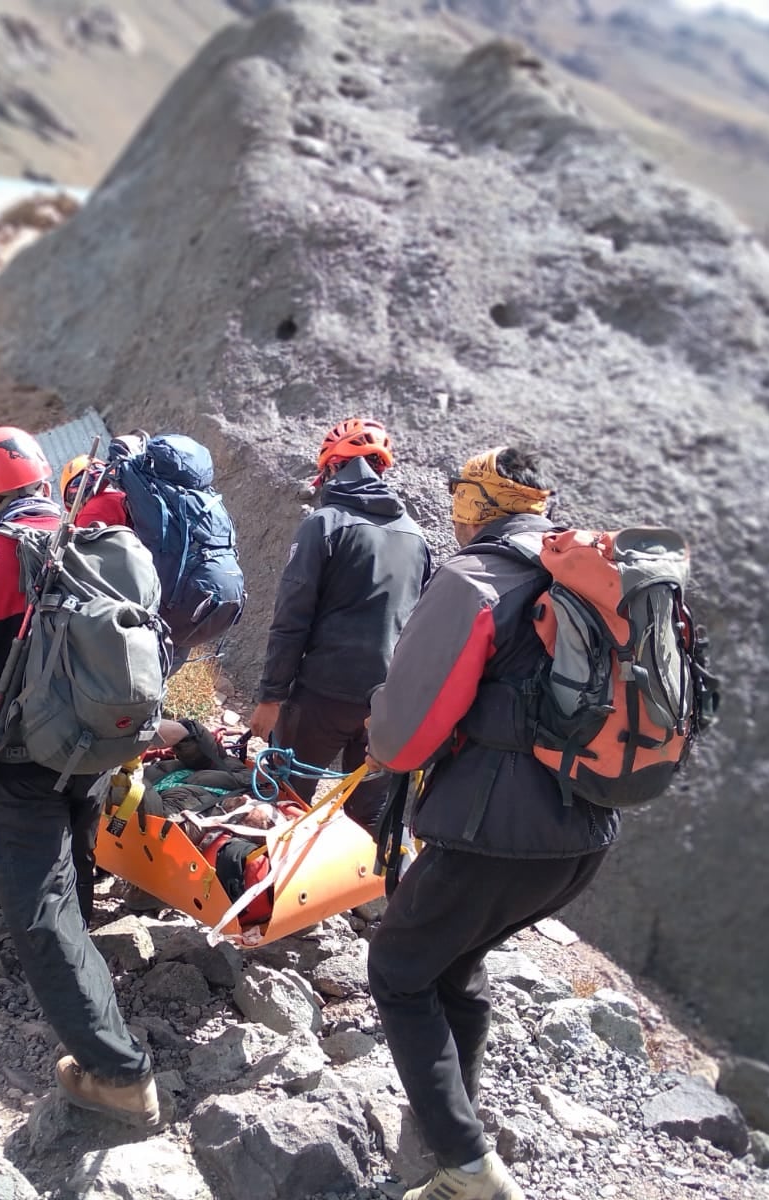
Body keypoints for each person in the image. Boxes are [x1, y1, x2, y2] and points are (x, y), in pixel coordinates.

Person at [364, 446, 620, 1200]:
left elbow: (404, 732)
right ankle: (461, 1125)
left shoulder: (478, 578)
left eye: (461, 495)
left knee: (397, 971)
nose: (454, 508)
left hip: (491, 834)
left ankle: (466, 1167)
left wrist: (389, 750)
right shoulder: (586, 581)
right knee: (454, 964)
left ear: (481, 504)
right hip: (582, 832)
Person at [0, 425, 160, 1129]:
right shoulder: (98, 543)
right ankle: (82, 968)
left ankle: (116, 1072)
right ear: (43, 482)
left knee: (38, 905)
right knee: (72, 859)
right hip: (94, 744)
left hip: (19, 760)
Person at [247, 417, 431, 833]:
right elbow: (418, 625)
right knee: (368, 816)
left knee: (285, 800)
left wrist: (271, 697)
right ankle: (362, 894)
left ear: (333, 467)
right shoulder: (416, 537)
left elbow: (291, 617)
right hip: (384, 702)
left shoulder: (325, 524)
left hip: (321, 697)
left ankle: (272, 895)